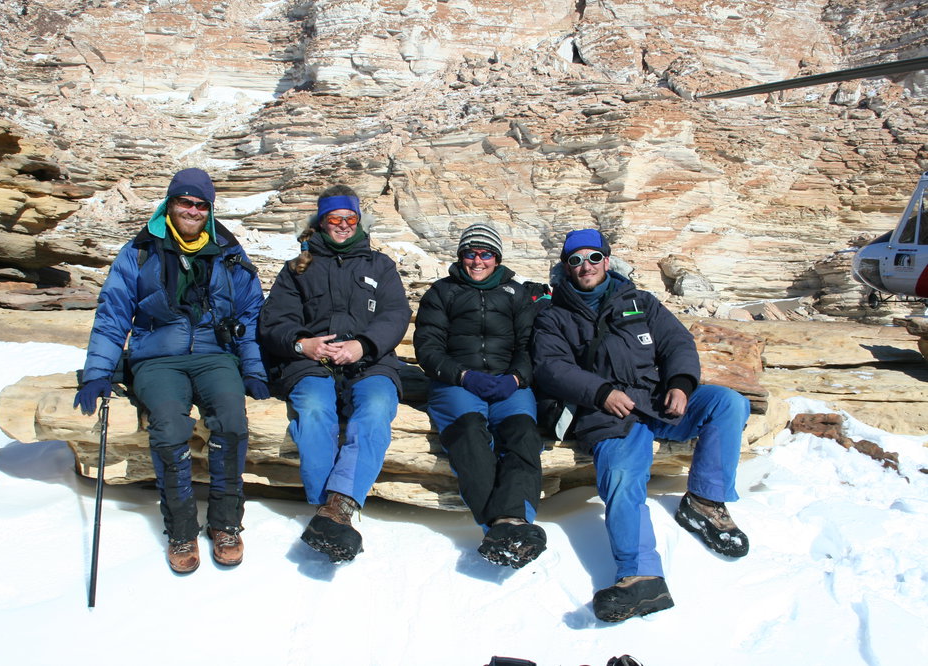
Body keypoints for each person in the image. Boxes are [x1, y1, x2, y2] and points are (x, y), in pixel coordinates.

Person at [531, 229, 751, 623]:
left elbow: (677, 343)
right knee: (621, 476)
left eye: (593, 258)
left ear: (607, 260)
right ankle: (641, 575)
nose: (585, 266)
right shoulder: (553, 314)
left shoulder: (639, 301)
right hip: (606, 413)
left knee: (727, 403)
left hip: (656, 400)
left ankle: (704, 501)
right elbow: (551, 368)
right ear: (566, 267)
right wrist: (600, 393)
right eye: (575, 260)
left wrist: (681, 383)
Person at [73, 168, 269, 574]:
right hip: (156, 357)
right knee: (168, 426)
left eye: (201, 205)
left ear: (209, 210)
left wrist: (253, 369)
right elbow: (113, 314)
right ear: (170, 204)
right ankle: (181, 529)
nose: (193, 211)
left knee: (232, 421)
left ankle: (225, 523)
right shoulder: (140, 251)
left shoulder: (228, 252)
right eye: (185, 202)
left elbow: (250, 314)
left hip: (215, 354)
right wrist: (97, 372)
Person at [259, 185, 410, 563]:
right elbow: (274, 321)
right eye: (334, 218)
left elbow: (396, 314)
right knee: (312, 408)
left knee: (377, 407)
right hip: (311, 362)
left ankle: (338, 506)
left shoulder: (380, 265)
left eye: (350, 218)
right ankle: (326, 507)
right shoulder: (298, 268)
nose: (343, 225)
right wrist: (302, 344)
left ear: (359, 221)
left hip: (369, 361)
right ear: (321, 222)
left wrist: (364, 344)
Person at [413, 223, 547, 568]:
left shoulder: (516, 294)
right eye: (470, 254)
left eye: (485, 254)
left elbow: (529, 346)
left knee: (523, 435)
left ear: (497, 258)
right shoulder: (442, 292)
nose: (477, 261)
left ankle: (513, 520)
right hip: (457, 382)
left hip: (508, 383)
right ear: (461, 256)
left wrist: (516, 378)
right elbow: (427, 348)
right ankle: (499, 526)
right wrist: (463, 375)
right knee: (470, 434)